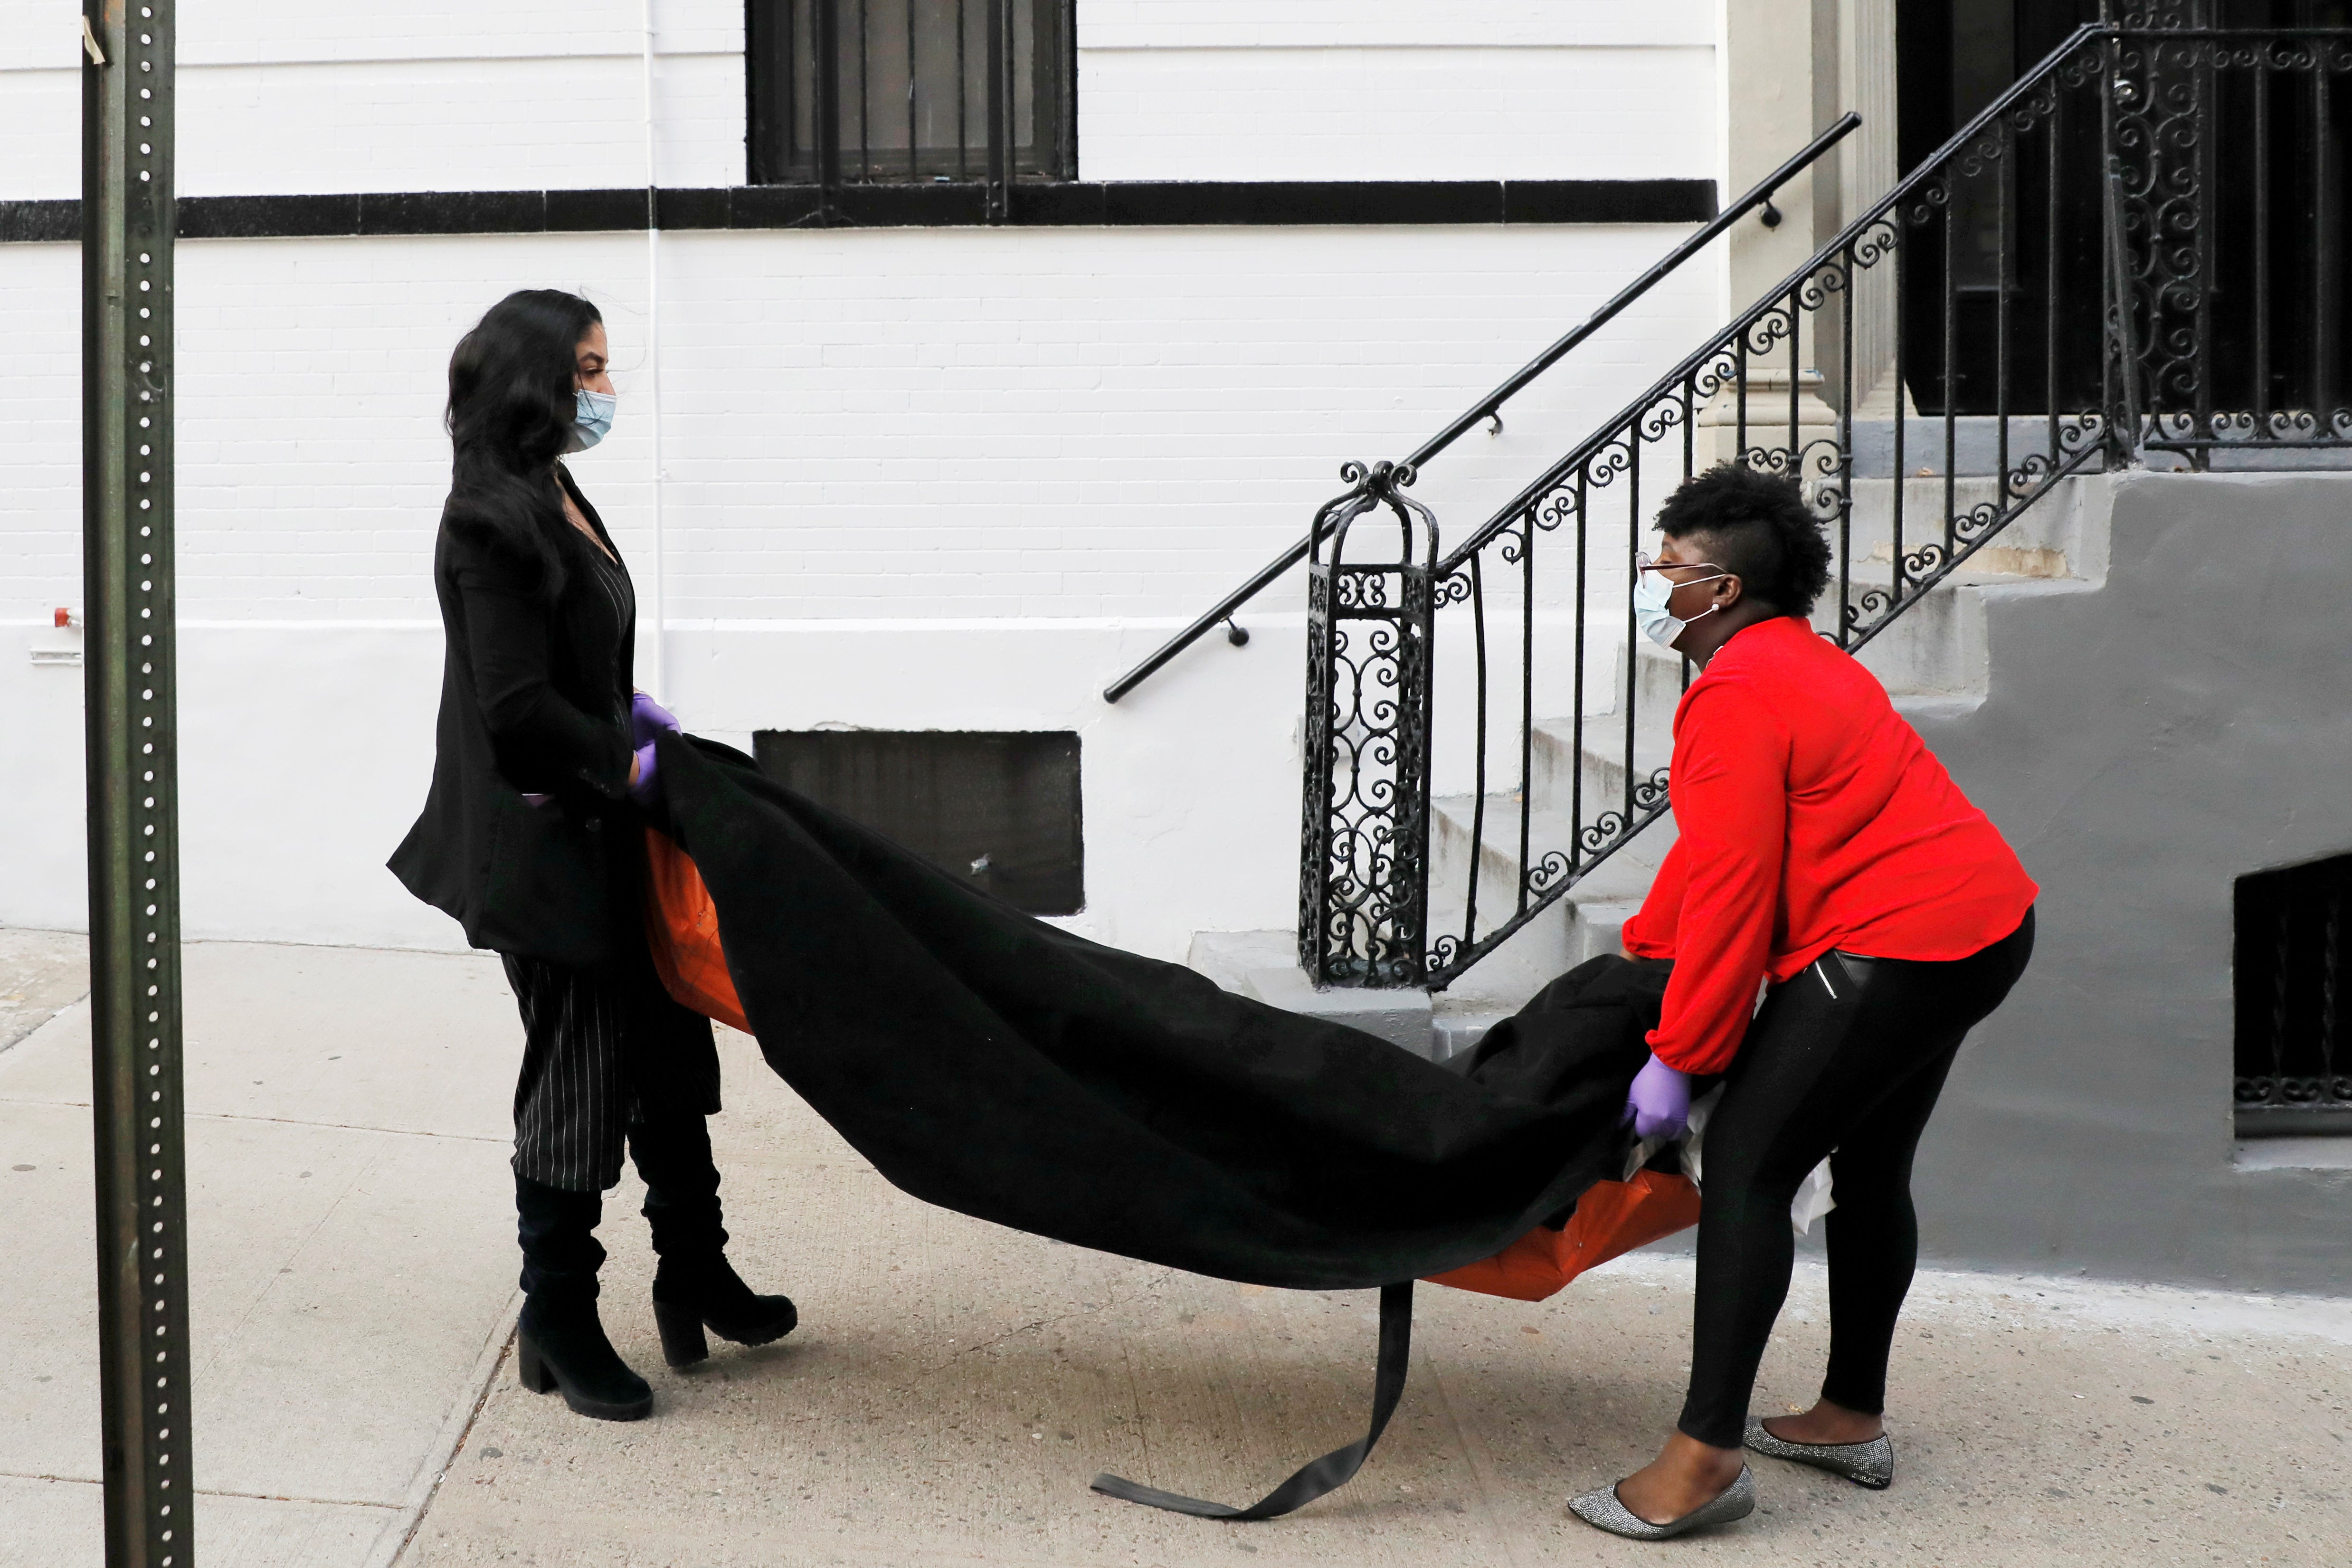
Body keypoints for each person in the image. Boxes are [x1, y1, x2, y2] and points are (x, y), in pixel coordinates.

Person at [1566, 465, 2038, 1541]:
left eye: (1666, 568)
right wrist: (1649, 950)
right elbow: (1726, 846)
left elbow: (1739, 891)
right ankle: (1846, 1415)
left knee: (1746, 1161)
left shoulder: (1733, 690)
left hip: (1896, 947)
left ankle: (1702, 1459)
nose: (1651, 583)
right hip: (1983, 925)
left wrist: (1679, 1051)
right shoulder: (1800, 661)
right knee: (1871, 1168)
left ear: (1720, 591)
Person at [389, 289, 796, 1423]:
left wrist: (635, 718)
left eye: (605, 367)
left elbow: (579, 665)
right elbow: (515, 709)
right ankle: (557, 1317)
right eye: (589, 368)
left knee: (669, 1046)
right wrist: (627, 763)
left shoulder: (559, 492)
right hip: (544, 841)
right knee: (578, 1072)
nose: (606, 390)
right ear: (536, 380)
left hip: (604, 823)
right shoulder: (486, 522)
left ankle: (694, 1270)